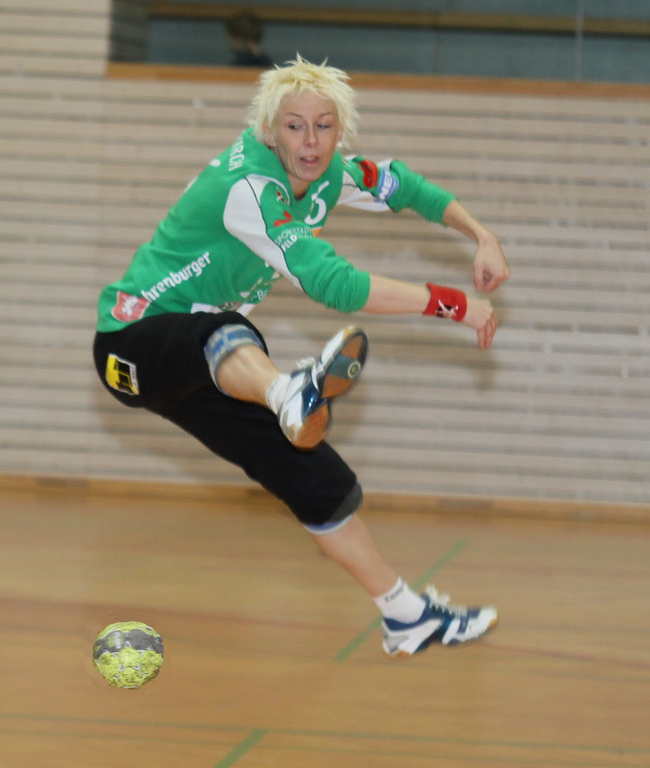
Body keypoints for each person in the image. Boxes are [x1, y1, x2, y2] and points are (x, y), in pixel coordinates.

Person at [93, 56, 510, 657]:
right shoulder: (250, 189)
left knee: (314, 477)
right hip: (131, 344)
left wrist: (482, 235)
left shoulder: (330, 174)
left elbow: (405, 186)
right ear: (269, 130)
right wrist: (453, 305)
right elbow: (331, 283)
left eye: (323, 126)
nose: (310, 142)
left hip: (207, 367)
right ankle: (286, 391)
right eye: (294, 126)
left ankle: (404, 615)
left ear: (340, 132)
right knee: (223, 330)